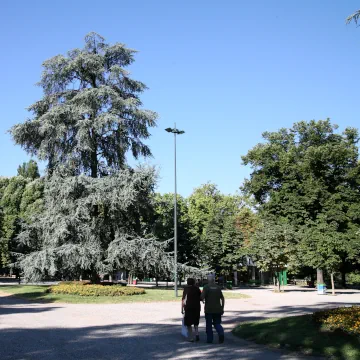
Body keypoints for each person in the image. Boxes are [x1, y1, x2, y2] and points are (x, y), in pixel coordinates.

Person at [201, 273, 225, 344]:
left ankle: (210, 339)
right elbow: (222, 298)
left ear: (208, 279)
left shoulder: (206, 287)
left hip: (209, 309)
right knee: (217, 323)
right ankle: (221, 333)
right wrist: (222, 307)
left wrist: (202, 299)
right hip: (218, 309)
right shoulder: (218, 287)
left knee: (209, 324)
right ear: (214, 279)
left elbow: (202, 297)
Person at [181, 278, 201, 342]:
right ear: (194, 282)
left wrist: (182, 308)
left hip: (188, 307)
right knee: (196, 321)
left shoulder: (186, 289)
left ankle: (191, 337)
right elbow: (200, 297)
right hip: (196, 307)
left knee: (188, 323)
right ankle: (197, 334)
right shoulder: (197, 289)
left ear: (187, 282)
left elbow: (183, 300)